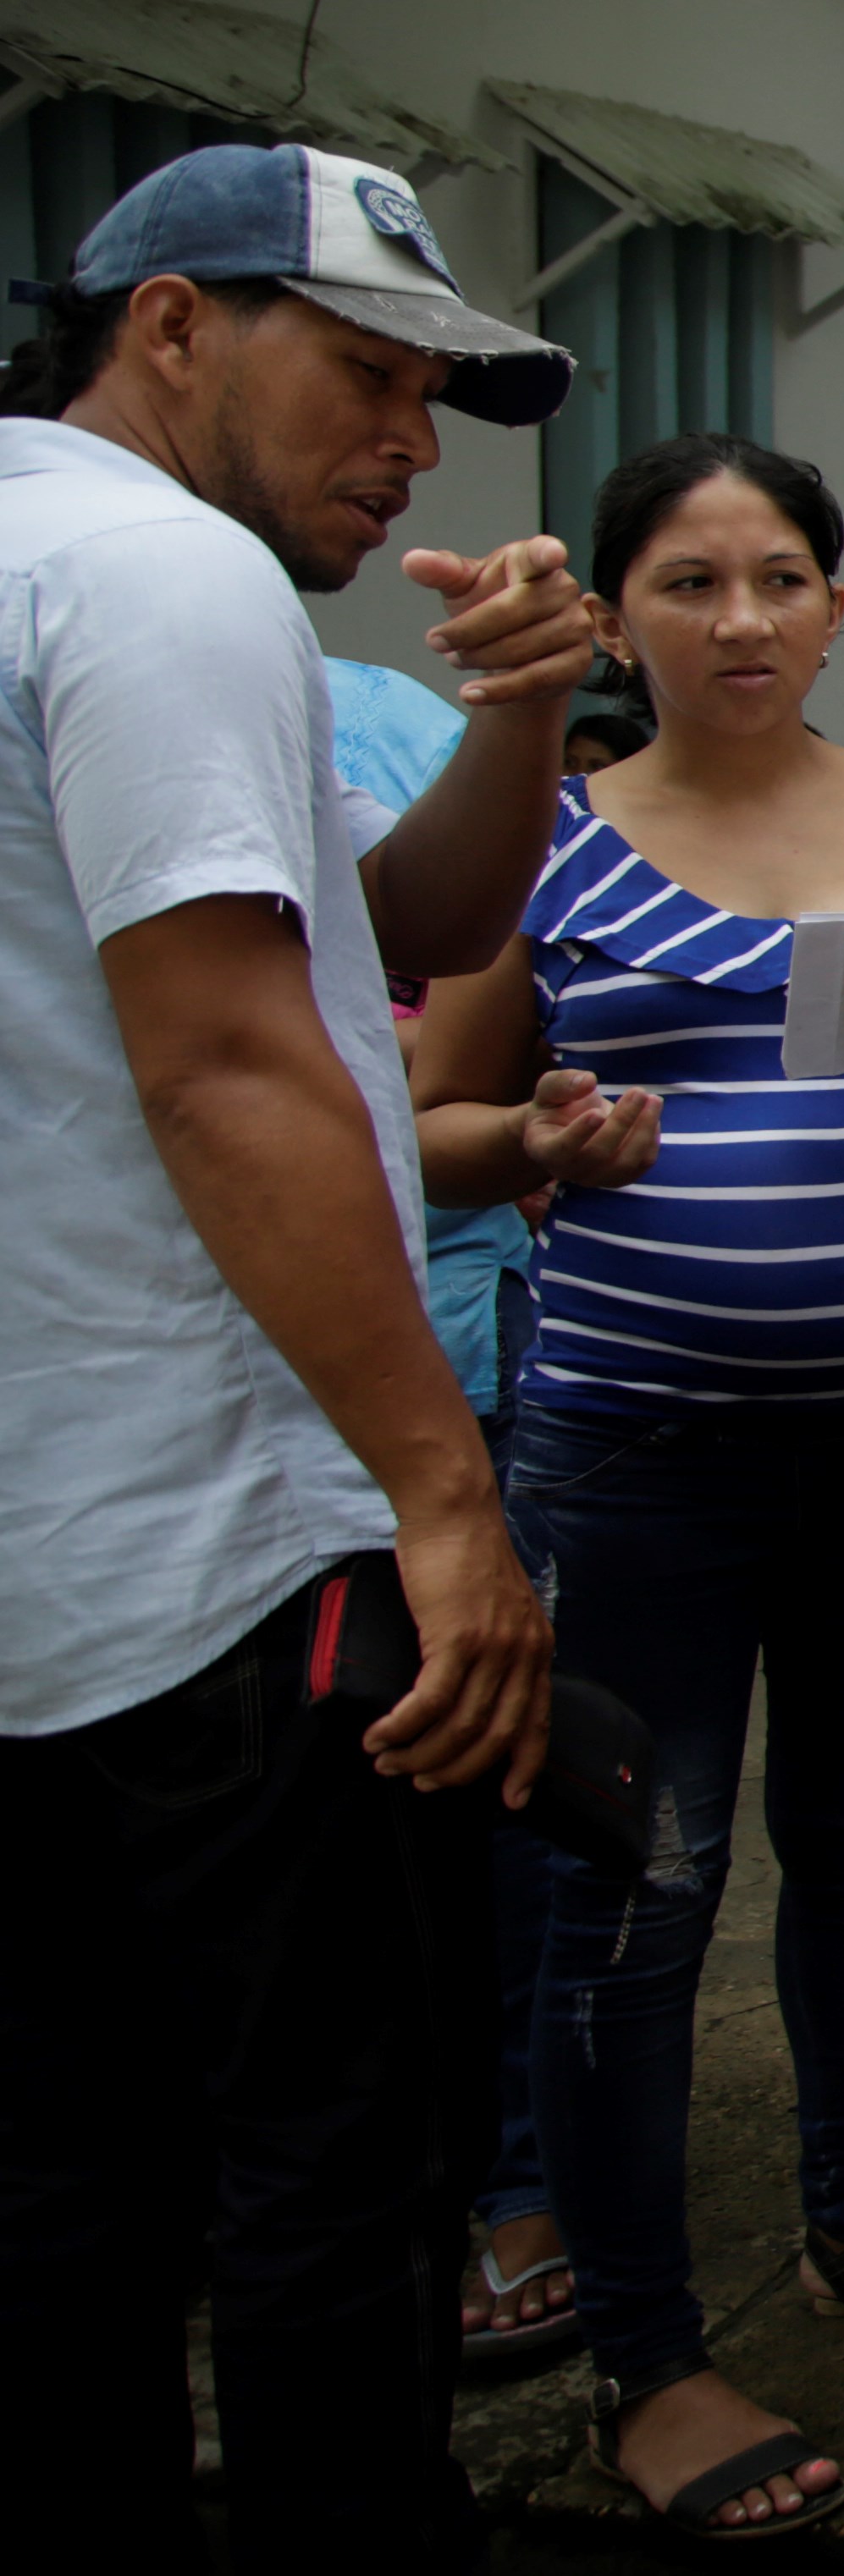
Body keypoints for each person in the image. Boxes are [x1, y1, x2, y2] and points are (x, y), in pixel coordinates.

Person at [1, 138, 594, 2572]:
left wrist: (529, 717)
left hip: (56, 1553)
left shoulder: (46, 551)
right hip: (230, 1550)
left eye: (434, 391)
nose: (407, 439)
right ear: (167, 325)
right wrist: (443, 1492)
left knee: (65, 2190)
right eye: (362, 368)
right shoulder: (162, 576)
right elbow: (239, 1058)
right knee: (333, 2184)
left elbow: (370, 949)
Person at [405, 433, 844, 2531]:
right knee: (637, 1885)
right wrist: (538, 1149)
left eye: (781, 577)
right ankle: (649, 2358)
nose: (743, 618)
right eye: (689, 582)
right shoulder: (554, 849)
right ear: (616, 616)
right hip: (633, 1459)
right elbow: (428, 1116)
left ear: (840, 609)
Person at [337, 655, 587, 2373]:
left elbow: (478, 1045)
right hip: (143, 1390)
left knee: (485, 1789)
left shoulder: (398, 720)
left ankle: (512, 2179)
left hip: (437, 1356)